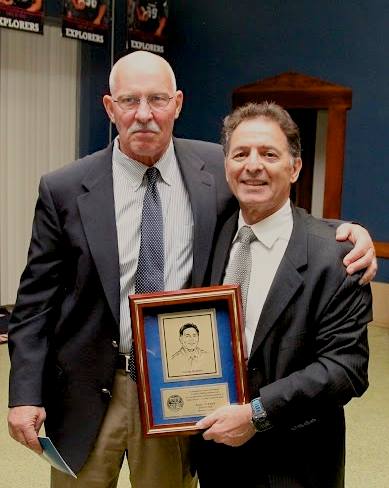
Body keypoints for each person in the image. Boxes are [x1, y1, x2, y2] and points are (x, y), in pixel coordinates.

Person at [7, 51, 375, 488]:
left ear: (177, 104)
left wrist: (346, 232)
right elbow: (35, 302)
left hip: (177, 390)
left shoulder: (215, 173)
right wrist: (24, 394)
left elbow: (270, 200)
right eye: (130, 101)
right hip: (86, 390)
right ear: (110, 107)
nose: (144, 114)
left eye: (157, 99)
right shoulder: (64, 188)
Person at [194, 102, 373, 488]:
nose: (253, 165)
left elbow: (347, 368)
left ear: (295, 168)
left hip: (295, 464)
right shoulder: (208, 237)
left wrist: (258, 413)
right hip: (216, 457)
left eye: (269, 154)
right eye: (240, 154)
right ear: (226, 166)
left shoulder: (338, 257)